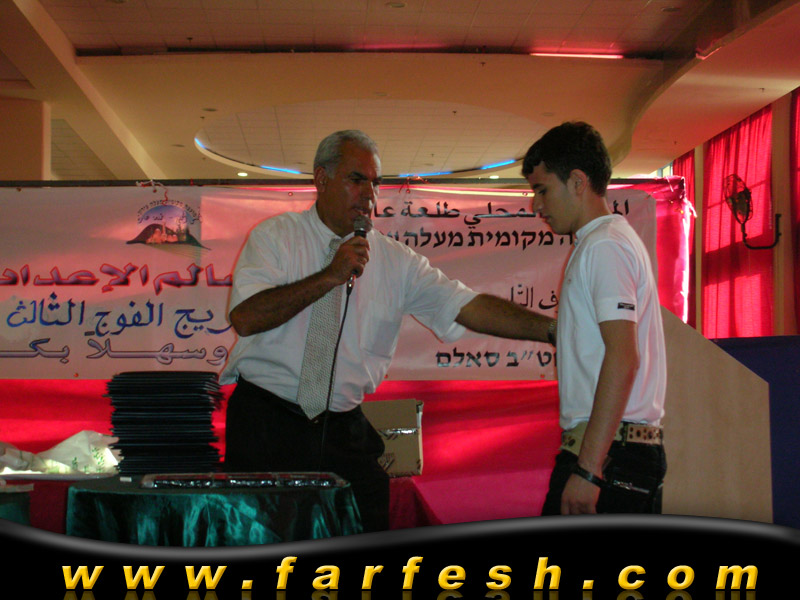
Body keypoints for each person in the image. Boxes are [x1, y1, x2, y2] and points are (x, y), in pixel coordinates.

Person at [221, 129, 556, 532]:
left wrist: (554, 331)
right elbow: (247, 317)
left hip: (342, 429)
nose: (369, 195)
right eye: (356, 179)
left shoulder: (397, 261)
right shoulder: (275, 237)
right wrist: (330, 276)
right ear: (322, 179)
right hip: (266, 424)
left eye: (376, 183)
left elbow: (466, 306)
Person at [522, 121, 667, 516]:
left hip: (610, 456)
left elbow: (623, 357)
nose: (536, 206)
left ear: (577, 182)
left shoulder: (604, 246)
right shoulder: (602, 242)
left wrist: (588, 470)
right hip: (612, 451)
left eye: (542, 190)